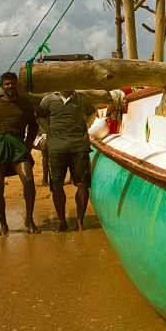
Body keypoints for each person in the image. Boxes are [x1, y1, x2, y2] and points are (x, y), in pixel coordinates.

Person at [0, 72, 39, 234]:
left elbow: (33, 125)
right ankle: (3, 224)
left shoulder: (24, 104)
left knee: (29, 180)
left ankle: (29, 220)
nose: (10, 86)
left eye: (13, 83)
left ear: (17, 84)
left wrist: (29, 142)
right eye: (7, 84)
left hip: (17, 145)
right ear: (2, 86)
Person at [38, 89, 98, 232]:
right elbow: (39, 115)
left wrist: (86, 125)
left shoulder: (82, 99)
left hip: (79, 147)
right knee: (57, 184)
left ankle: (79, 221)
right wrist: (49, 129)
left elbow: (92, 112)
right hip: (57, 148)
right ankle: (62, 221)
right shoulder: (48, 100)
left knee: (82, 183)